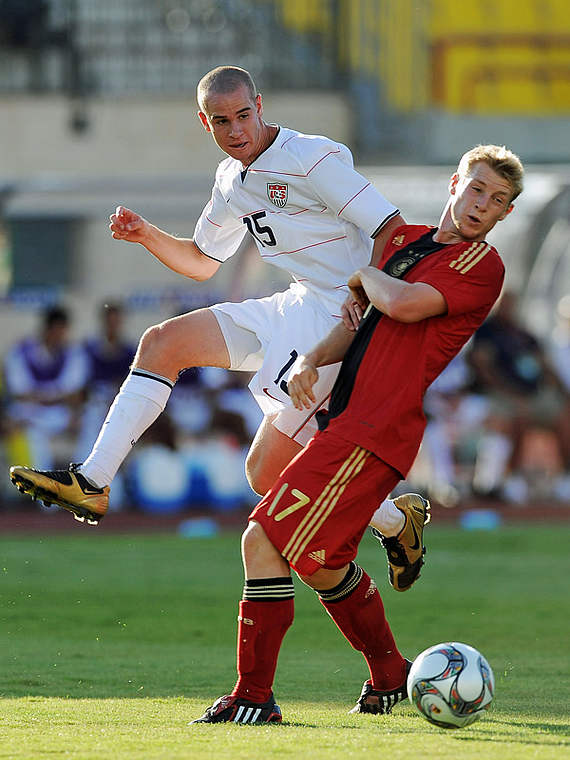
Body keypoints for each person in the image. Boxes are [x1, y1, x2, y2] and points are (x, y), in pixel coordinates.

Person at [9, 65, 426, 581]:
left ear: (261, 105)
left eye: (244, 116)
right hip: (297, 304)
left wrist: (367, 292)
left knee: (265, 472)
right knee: (162, 342)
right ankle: (92, 482)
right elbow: (203, 262)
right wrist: (147, 236)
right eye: (221, 121)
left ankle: (392, 520)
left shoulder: (310, 157)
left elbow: (392, 228)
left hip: (347, 321)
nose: (236, 131)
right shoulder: (231, 181)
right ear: (204, 123)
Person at [190, 144, 524, 724]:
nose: (481, 206)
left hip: (375, 430)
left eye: (497, 201)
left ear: (504, 216)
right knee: (319, 561)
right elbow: (360, 318)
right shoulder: (401, 244)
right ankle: (391, 674)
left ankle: (254, 697)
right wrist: (311, 361)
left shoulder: (481, 265)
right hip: (346, 419)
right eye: (476, 190)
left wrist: (365, 277)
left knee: (261, 539)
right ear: (455, 184)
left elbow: (405, 305)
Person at [3, 305, 88, 472]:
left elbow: (73, 394)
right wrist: (54, 396)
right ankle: (40, 486)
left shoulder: (74, 353)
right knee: (18, 424)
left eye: (63, 331)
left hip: (59, 413)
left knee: (91, 418)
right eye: (57, 330)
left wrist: (48, 398)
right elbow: (19, 393)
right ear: (47, 328)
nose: (60, 335)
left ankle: (84, 479)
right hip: (30, 413)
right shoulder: (21, 351)